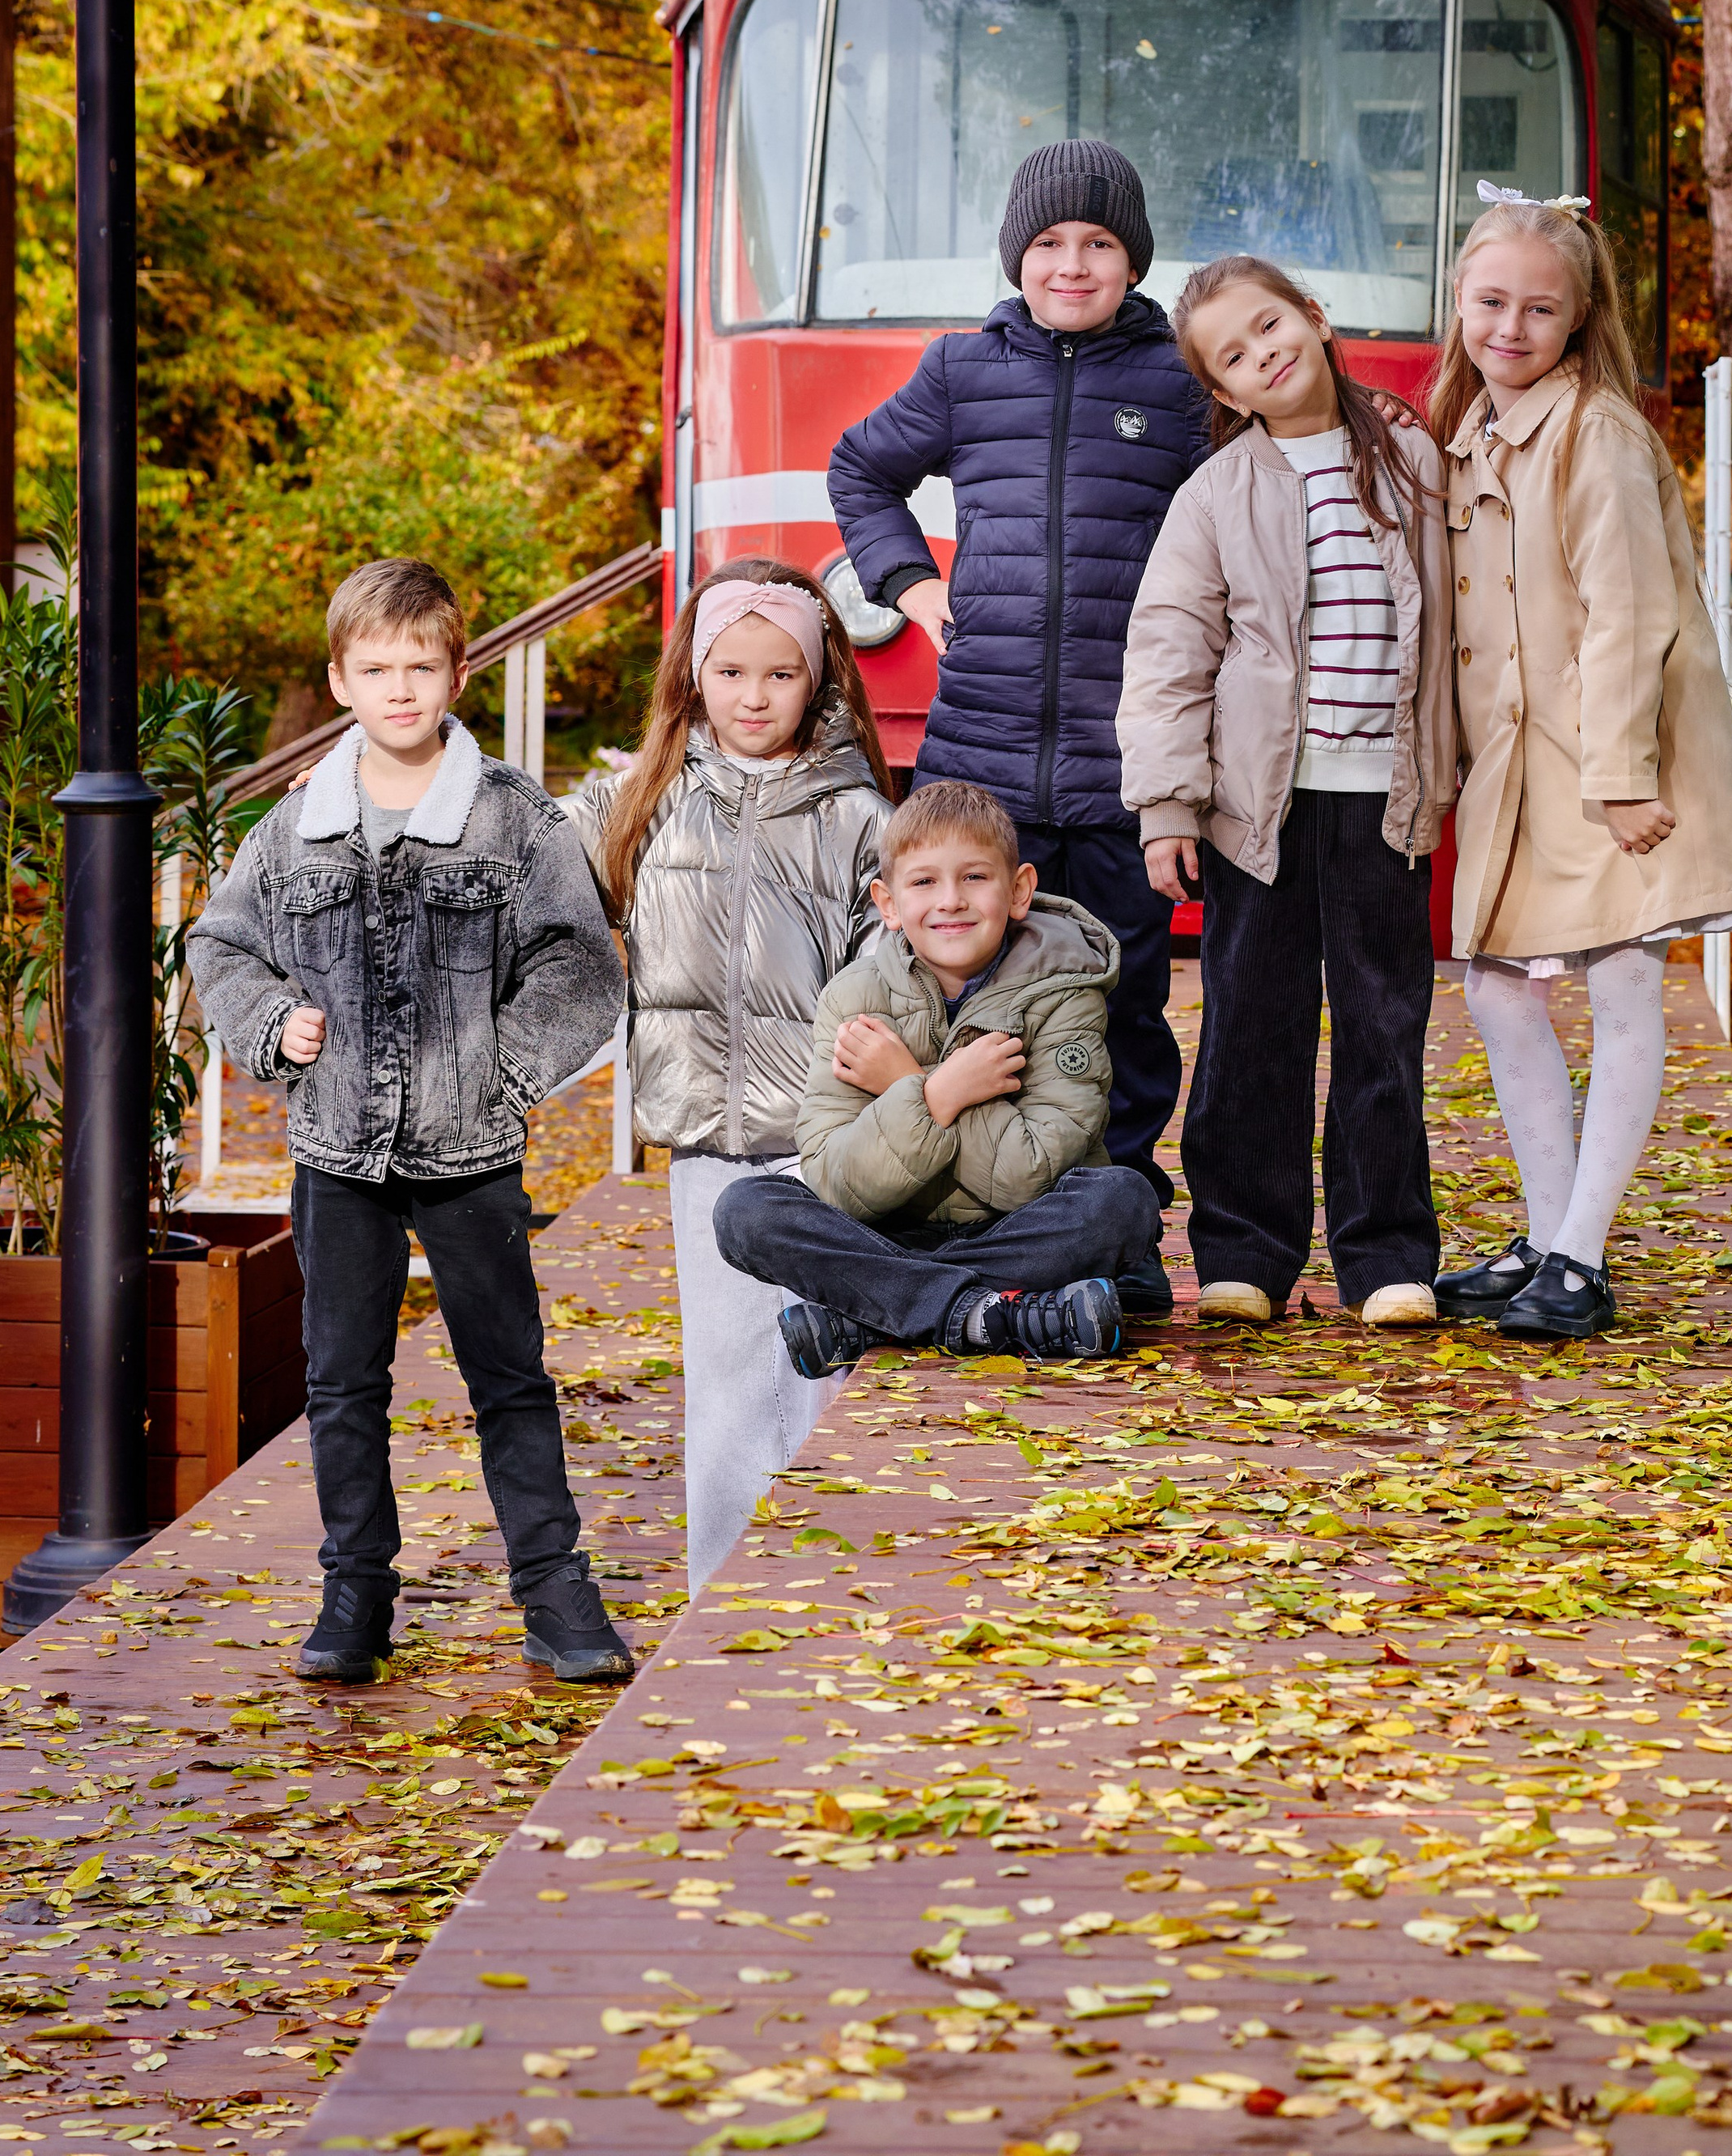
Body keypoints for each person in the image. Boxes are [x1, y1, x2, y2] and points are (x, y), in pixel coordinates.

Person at [188, 557, 630, 1687]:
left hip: (470, 1149)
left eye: (419, 666)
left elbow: (578, 967)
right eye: (375, 668)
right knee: (342, 1379)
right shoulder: (298, 828)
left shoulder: (513, 822)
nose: (399, 689)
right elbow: (221, 947)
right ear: (339, 679)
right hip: (338, 1151)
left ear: (456, 670)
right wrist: (274, 1019)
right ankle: (357, 1589)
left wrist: (504, 1074)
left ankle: (552, 1587)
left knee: (509, 1373)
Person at [827, 140, 1205, 1316]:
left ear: (1132, 259)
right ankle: (975, 1222)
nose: (1073, 264)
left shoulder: (1182, 382)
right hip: (979, 762)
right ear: (1019, 256)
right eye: (1050, 244)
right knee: (968, 996)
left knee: (1126, 1001)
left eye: (1098, 244)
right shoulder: (960, 371)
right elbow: (860, 470)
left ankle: (1121, 1226)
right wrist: (911, 585)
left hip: (1121, 760)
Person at [1428, 188, 1732, 1339]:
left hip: (1613, 765)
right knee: (1496, 988)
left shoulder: (1600, 432)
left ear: (1580, 320)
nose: (1510, 328)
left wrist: (1622, 778)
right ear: (1462, 301)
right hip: (1522, 767)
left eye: (1540, 309)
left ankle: (1579, 1257)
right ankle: (1550, 1232)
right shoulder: (1470, 426)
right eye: (1490, 302)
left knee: (1624, 983)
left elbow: (1634, 616)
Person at [1119, 256, 1455, 1330]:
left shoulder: (1412, 461)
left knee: (1380, 1024)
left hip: (1384, 799)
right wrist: (1168, 804)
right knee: (1253, 1026)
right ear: (1226, 392)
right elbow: (1171, 650)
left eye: (1271, 325)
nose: (1264, 352)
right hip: (1256, 811)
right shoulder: (1218, 494)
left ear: (1313, 317)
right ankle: (1246, 1252)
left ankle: (1385, 1254)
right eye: (1235, 354)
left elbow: (1465, 626)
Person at [566, 561, 893, 1586]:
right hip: (708, 1147)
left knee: (821, 1373)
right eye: (733, 672)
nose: (755, 697)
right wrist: (369, 777)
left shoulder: (860, 818)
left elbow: (903, 963)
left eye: (781, 675)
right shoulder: (641, 802)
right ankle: (720, 1598)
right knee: (724, 1381)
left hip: (829, 1151)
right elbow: (508, 848)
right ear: (694, 677)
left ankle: (820, 1594)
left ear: (822, 680)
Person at [712, 779, 1162, 1371]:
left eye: (975, 877)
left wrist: (910, 1083)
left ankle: (879, 1314)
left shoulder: (1066, 995)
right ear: (889, 904)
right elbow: (837, 1180)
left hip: (1021, 1231)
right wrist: (937, 1092)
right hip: (888, 1237)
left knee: (1123, 1200)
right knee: (746, 1211)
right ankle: (1003, 1313)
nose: (950, 900)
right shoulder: (854, 999)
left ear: (1019, 890)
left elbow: (1032, 1175)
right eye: (924, 881)